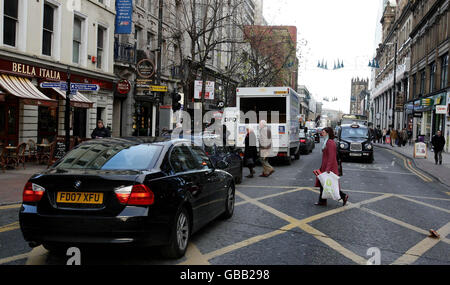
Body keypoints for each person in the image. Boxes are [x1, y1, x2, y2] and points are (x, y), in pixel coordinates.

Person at [314, 127, 349, 207]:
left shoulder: (330, 143)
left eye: (323, 132)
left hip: (329, 167)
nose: (321, 134)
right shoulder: (326, 142)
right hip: (325, 166)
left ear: (327, 133)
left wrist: (328, 169)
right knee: (323, 184)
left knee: (331, 185)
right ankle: (322, 201)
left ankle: (343, 196)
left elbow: (332, 157)